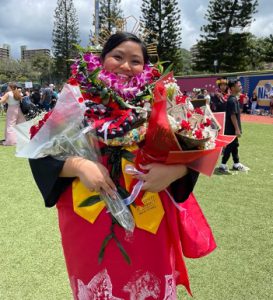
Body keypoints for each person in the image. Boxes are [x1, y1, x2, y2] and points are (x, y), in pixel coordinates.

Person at [29, 32, 204, 299]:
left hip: (149, 219)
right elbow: (40, 156)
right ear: (101, 60)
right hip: (89, 222)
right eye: (117, 57)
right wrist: (79, 166)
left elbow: (195, 153)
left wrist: (174, 171)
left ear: (145, 68)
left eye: (136, 61)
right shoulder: (75, 103)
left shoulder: (159, 104)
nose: (126, 66)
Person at [218, 79, 249, 173]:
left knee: (234, 145)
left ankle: (236, 163)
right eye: (238, 85)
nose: (240, 86)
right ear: (232, 88)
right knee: (231, 146)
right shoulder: (232, 100)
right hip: (232, 128)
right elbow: (232, 115)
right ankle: (223, 165)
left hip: (232, 128)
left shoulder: (233, 99)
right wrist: (237, 129)